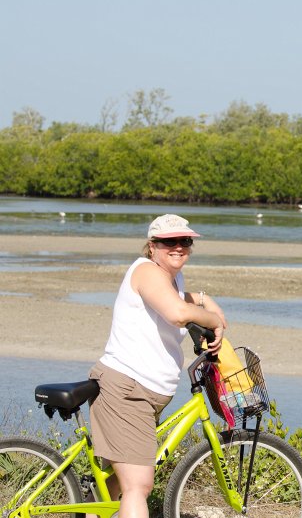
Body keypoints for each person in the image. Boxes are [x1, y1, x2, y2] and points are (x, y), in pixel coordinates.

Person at [88, 214, 226, 518]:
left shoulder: (170, 278)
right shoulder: (147, 271)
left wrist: (204, 299)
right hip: (126, 390)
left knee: (119, 480)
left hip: (144, 393)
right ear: (152, 246)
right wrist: (214, 320)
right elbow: (176, 312)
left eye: (185, 241)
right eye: (169, 241)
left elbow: (177, 298)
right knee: (139, 486)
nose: (178, 247)